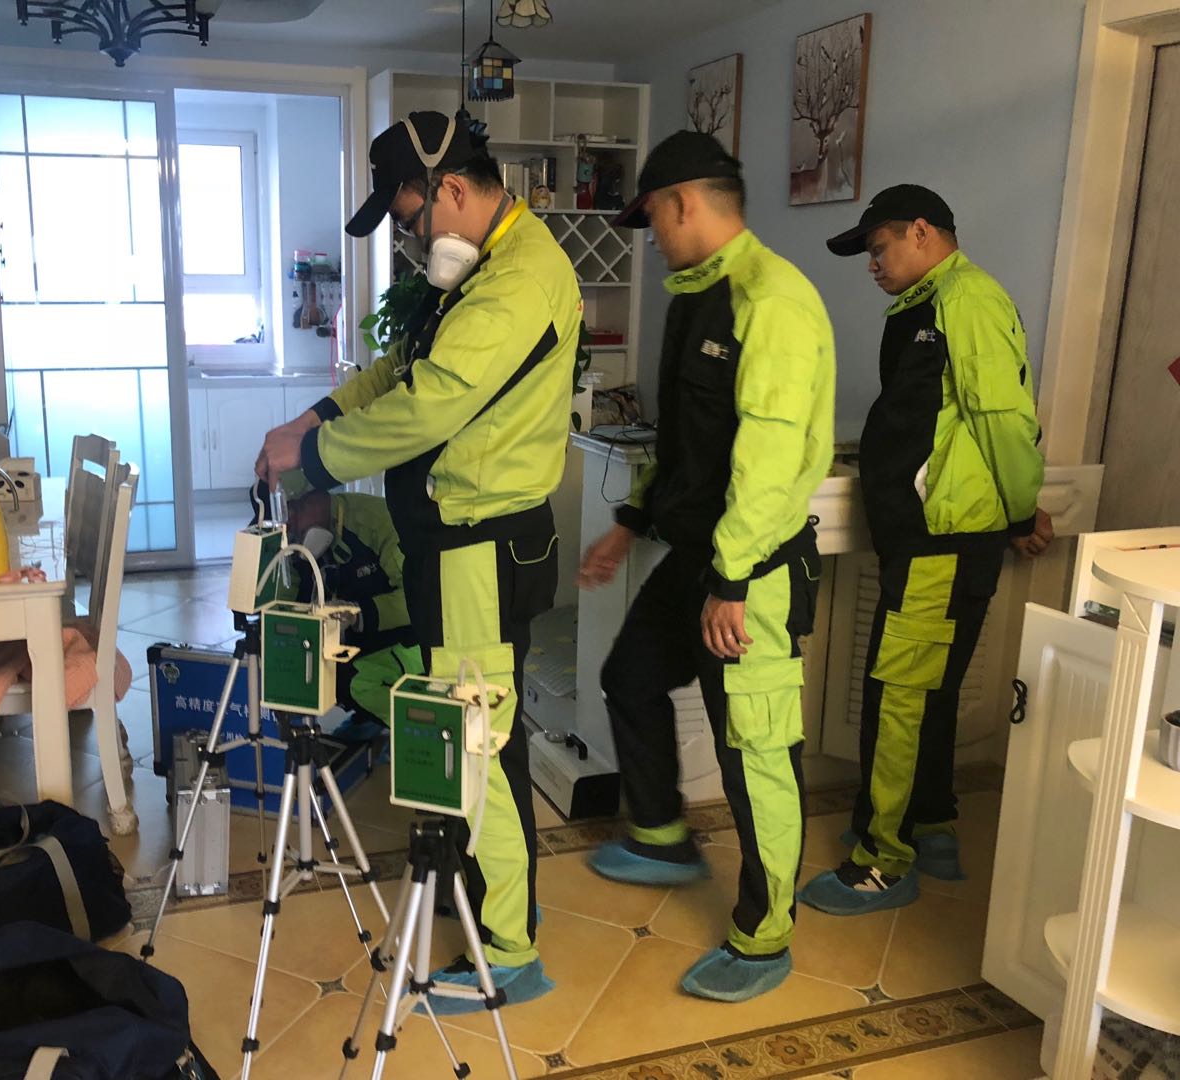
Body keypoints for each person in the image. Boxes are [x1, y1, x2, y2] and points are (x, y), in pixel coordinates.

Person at [255, 109, 581, 1013]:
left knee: (476, 739)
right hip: (452, 544)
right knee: (478, 731)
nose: (409, 238)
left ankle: (509, 952)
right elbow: (398, 367)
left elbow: (429, 405)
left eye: (409, 219)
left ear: (451, 189)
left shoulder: (521, 282)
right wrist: (313, 416)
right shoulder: (473, 276)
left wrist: (313, 460)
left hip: (481, 547)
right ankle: (491, 897)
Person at [578, 130, 835, 1003]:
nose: (651, 237)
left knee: (755, 754)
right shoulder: (697, 297)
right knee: (629, 677)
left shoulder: (774, 301)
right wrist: (629, 523)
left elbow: (769, 460)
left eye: (651, 218)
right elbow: (688, 446)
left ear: (682, 203)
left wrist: (731, 581)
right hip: (698, 555)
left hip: (749, 573)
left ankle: (765, 937)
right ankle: (660, 835)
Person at [798, 184, 1049, 918]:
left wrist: (1021, 511)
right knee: (928, 690)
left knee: (900, 696)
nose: (872, 264)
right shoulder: (927, 304)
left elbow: (1003, 418)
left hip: (943, 540)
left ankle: (882, 860)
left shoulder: (965, 300)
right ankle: (932, 825)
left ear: (921, 231)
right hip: (934, 536)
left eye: (878, 248)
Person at [283, 488, 423, 745]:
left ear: (318, 497)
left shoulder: (378, 522)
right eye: (285, 513)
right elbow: (286, 603)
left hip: (407, 640)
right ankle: (369, 719)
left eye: (298, 509)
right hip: (356, 641)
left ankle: (418, 737)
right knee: (305, 669)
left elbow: (419, 601)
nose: (291, 523)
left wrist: (358, 613)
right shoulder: (296, 542)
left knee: (351, 681)